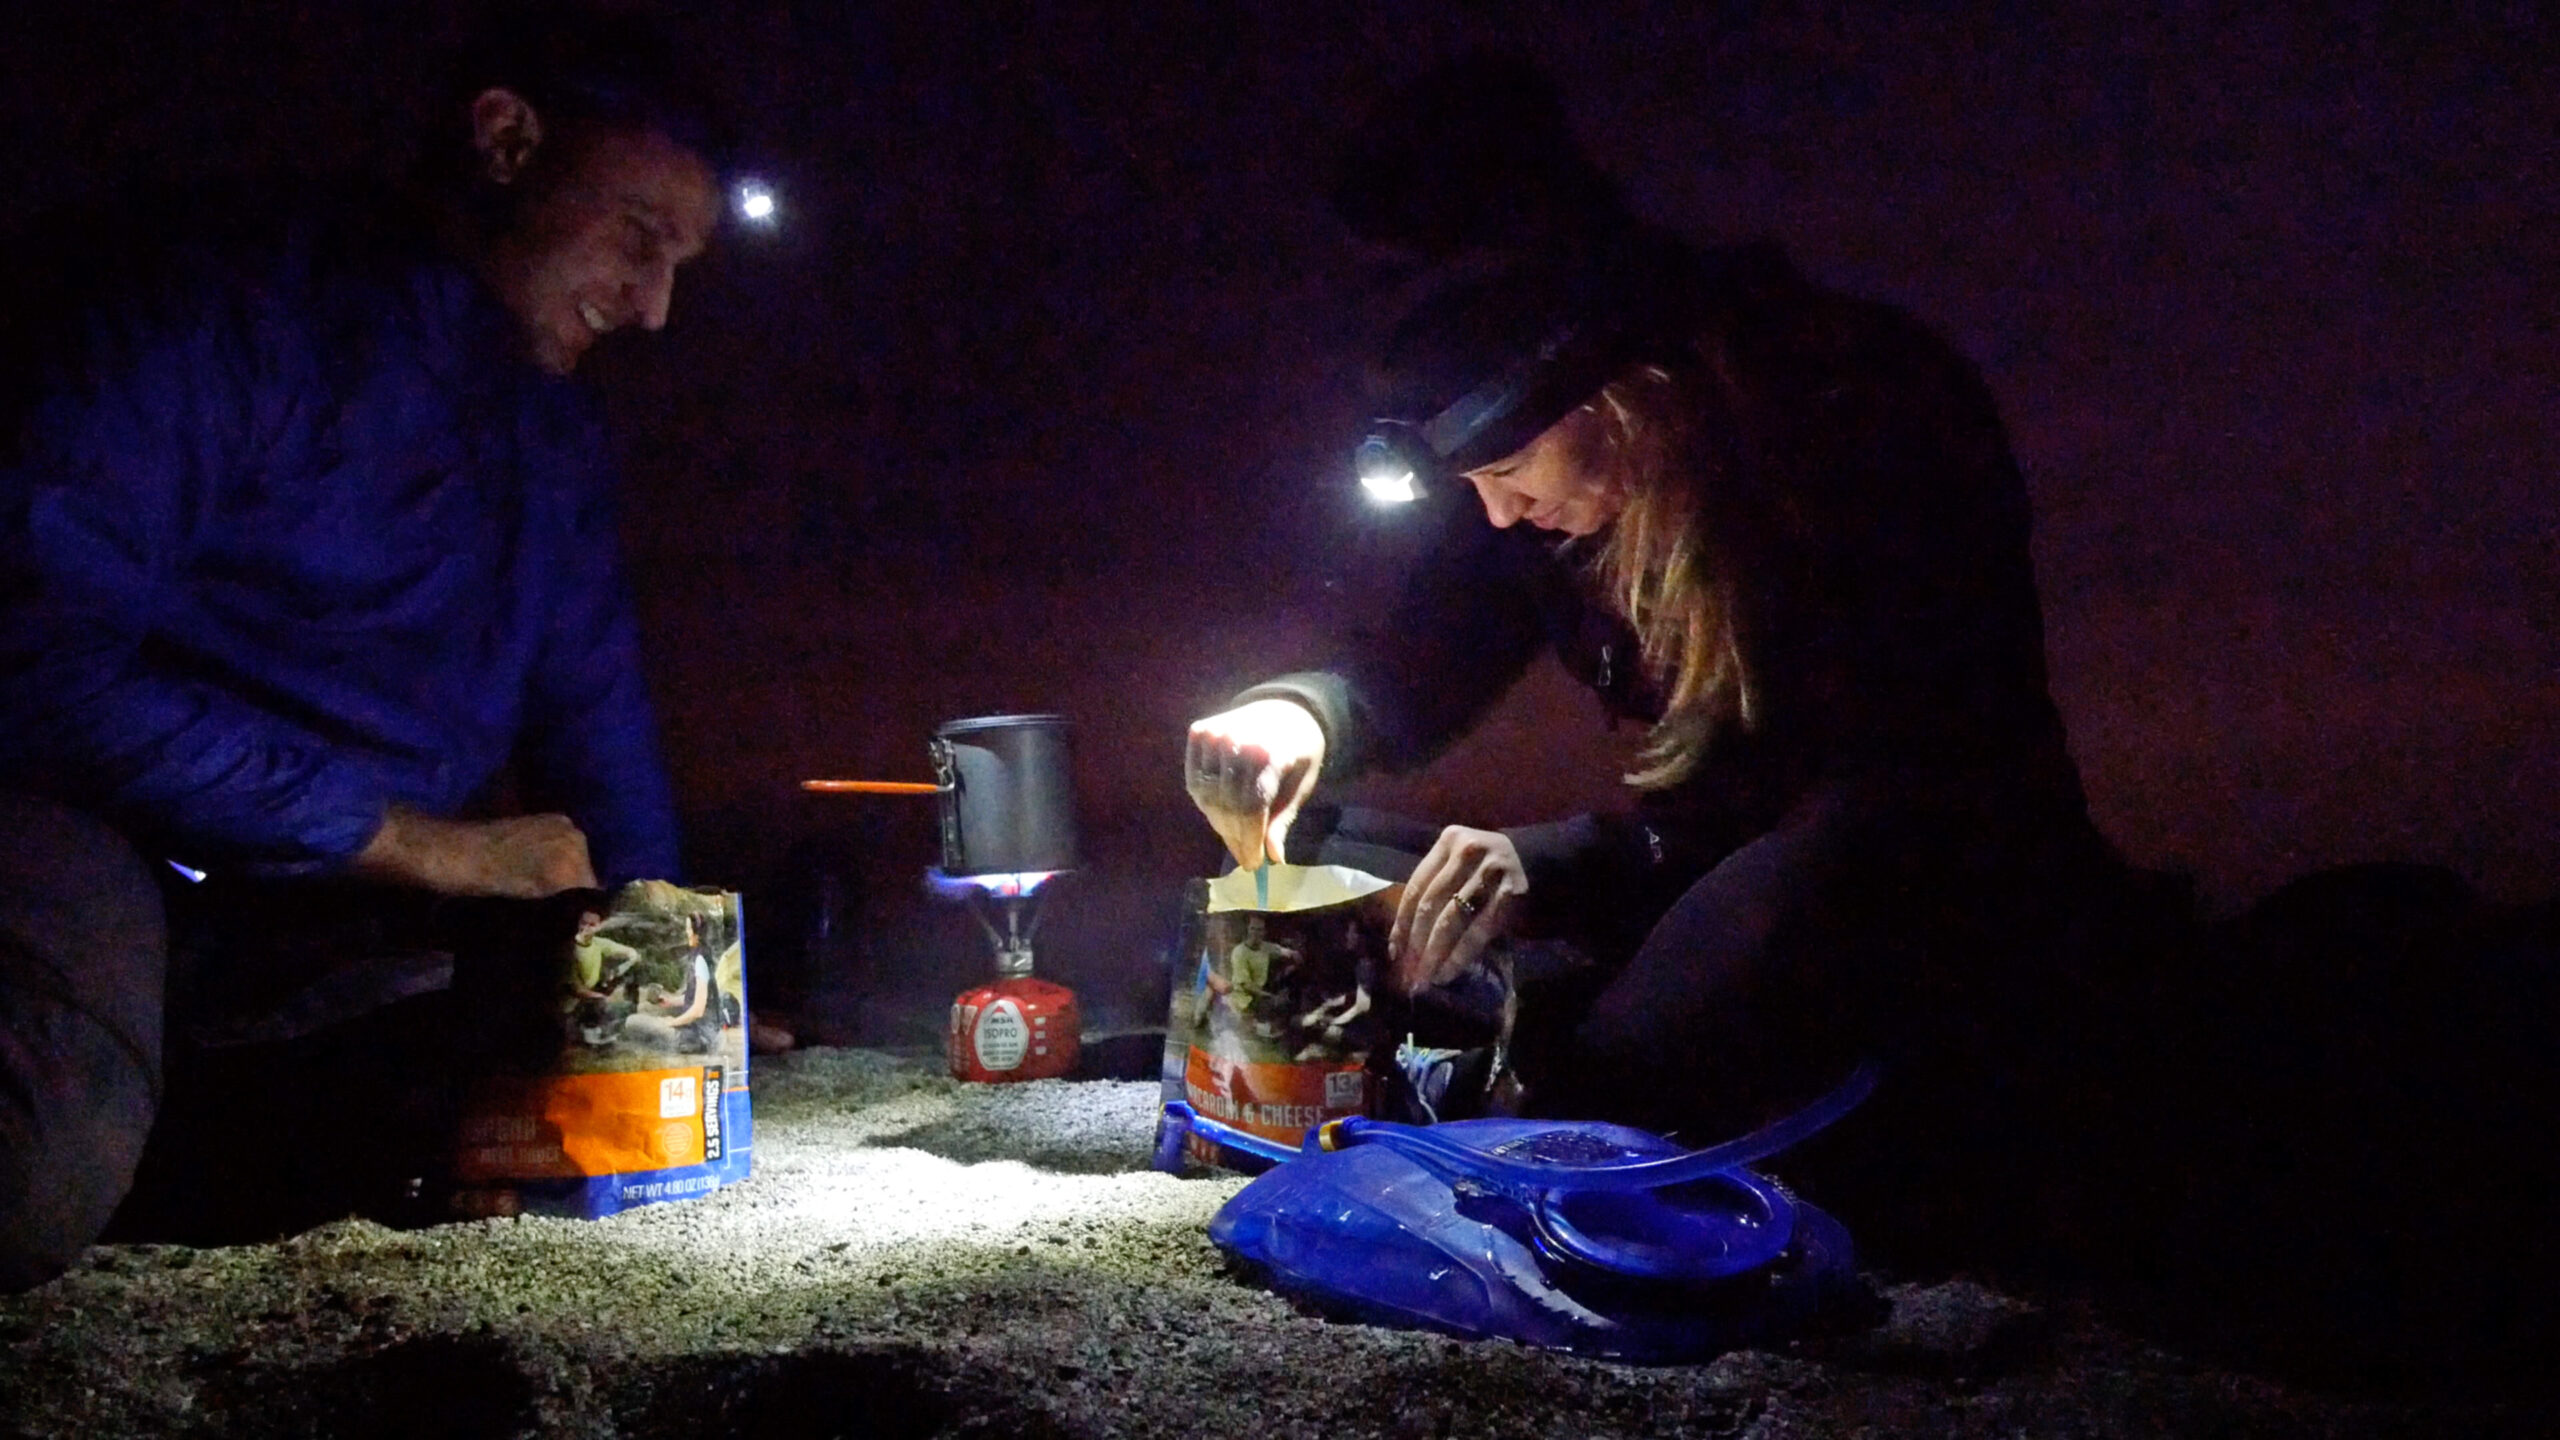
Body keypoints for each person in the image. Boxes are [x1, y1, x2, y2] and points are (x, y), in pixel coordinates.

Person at [1186, 93, 2136, 1265]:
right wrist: (1295, 717)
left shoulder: (1860, 412)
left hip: (1921, 889)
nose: (1497, 512)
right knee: (1313, 862)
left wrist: (1554, 867)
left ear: (1623, 395)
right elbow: (1418, 661)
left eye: (1511, 466)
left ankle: (1586, 1063)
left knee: (1664, 1030)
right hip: (1687, 870)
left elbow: (1897, 799)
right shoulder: (1546, 486)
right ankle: (1479, 1033)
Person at [0, 10, 733, 1289]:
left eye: (681, 266)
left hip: (336, 901)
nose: (656, 307)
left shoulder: (545, 438)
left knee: (529, 1102)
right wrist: (414, 841)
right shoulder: (214, 302)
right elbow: (36, 659)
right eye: (639, 238)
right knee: (27, 1164)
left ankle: (185, 1111)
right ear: (506, 141)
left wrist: (670, 973)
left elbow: (595, 714)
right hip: (97, 823)